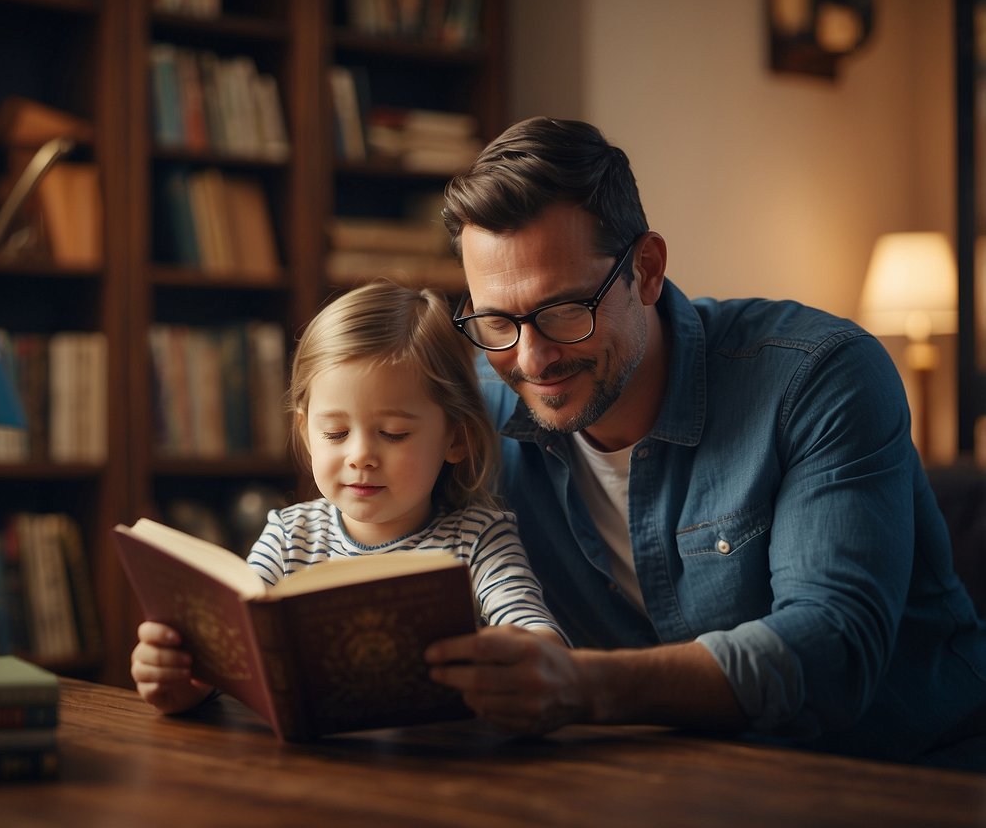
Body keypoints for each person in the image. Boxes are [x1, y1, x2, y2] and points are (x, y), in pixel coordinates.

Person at [423, 116, 986, 770]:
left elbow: (830, 649)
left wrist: (581, 687)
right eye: (496, 319)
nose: (530, 357)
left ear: (648, 269)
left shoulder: (818, 377)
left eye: (562, 311)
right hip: (671, 786)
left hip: (909, 774)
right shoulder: (476, 419)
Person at [133, 280, 569, 715]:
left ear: (456, 438)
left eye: (393, 434)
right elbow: (237, 657)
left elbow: (542, 646)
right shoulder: (288, 538)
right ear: (306, 434)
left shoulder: (478, 541)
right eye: (336, 433)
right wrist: (185, 677)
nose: (360, 456)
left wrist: (517, 655)